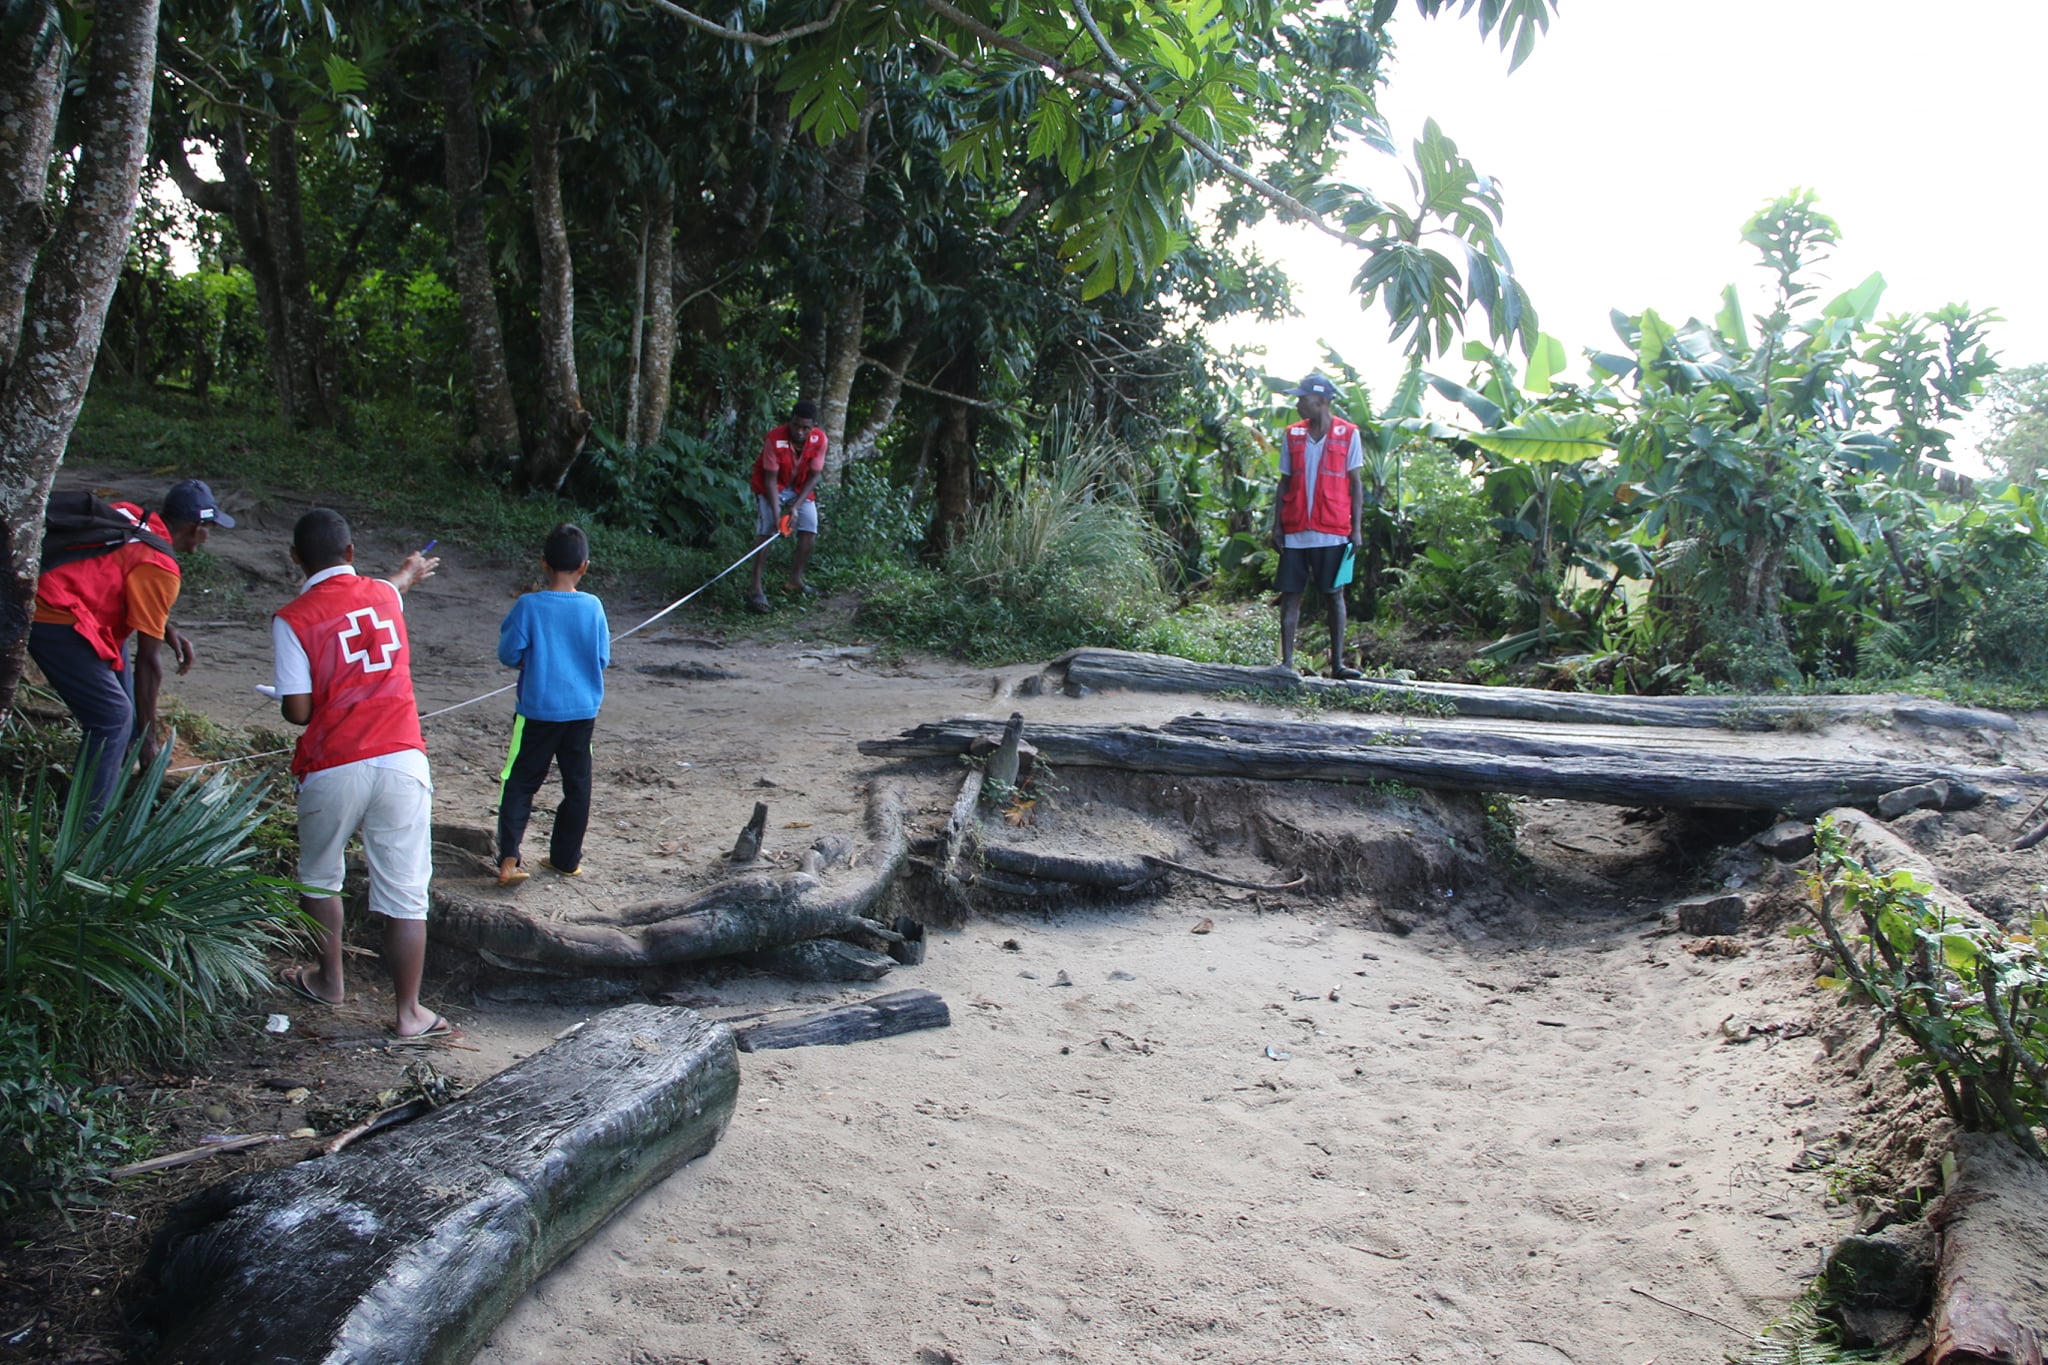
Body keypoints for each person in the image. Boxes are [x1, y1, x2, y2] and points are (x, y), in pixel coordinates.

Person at [271, 509, 452, 1039]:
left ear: (296, 560)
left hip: (332, 765)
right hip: (401, 757)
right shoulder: (382, 595)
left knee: (320, 876)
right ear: (350, 554)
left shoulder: (292, 619)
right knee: (405, 893)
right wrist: (409, 573)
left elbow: (299, 711)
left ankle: (330, 980)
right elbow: (392, 588)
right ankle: (410, 1013)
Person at [29, 479, 232, 819]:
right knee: (112, 718)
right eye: (209, 529)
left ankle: (111, 792)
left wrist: (164, 625)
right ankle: (82, 832)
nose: (208, 537)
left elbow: (115, 569)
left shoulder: (133, 516)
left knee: (128, 712)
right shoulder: (162, 568)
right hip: (53, 614)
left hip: (68, 601)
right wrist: (149, 743)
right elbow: (149, 663)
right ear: (197, 528)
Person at [493, 522, 609, 886]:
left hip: (537, 712)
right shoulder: (593, 606)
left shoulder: (529, 606)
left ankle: (509, 858)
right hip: (581, 712)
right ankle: (565, 858)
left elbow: (508, 653)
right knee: (578, 785)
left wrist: (533, 658)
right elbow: (602, 658)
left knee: (520, 781)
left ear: (543, 563)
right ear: (584, 567)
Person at [1270, 372, 1366, 679]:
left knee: (1334, 595)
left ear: (1322, 402)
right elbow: (1283, 483)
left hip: (1333, 530)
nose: (1298, 404)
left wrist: (1357, 529)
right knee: (1290, 596)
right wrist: (1277, 527)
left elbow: (1356, 485)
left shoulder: (1348, 434)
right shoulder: (1292, 435)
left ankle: (1338, 664)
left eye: (1304, 399)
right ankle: (1286, 664)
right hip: (1296, 529)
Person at [745, 399, 829, 612]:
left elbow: (814, 476)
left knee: (810, 526)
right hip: (772, 487)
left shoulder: (820, 440)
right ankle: (755, 589)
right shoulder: (774, 439)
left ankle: (795, 580)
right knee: (766, 531)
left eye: (805, 428)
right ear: (790, 422)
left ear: (813, 427)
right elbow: (770, 479)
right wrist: (777, 516)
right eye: (796, 425)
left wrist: (794, 507)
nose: (800, 431)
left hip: (800, 488)